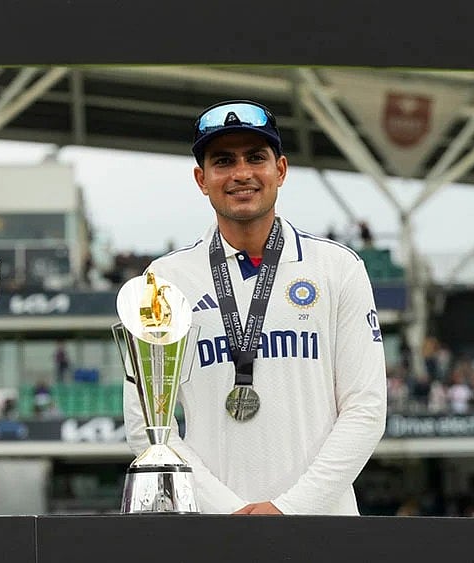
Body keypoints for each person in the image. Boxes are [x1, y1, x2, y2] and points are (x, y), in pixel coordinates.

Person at [123, 99, 386, 515]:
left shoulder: (338, 267)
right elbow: (147, 425)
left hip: (323, 528)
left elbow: (366, 409)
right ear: (201, 178)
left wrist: (289, 509)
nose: (241, 173)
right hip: (214, 532)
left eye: (255, 158)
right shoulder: (165, 279)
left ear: (280, 170)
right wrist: (228, 512)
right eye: (223, 161)